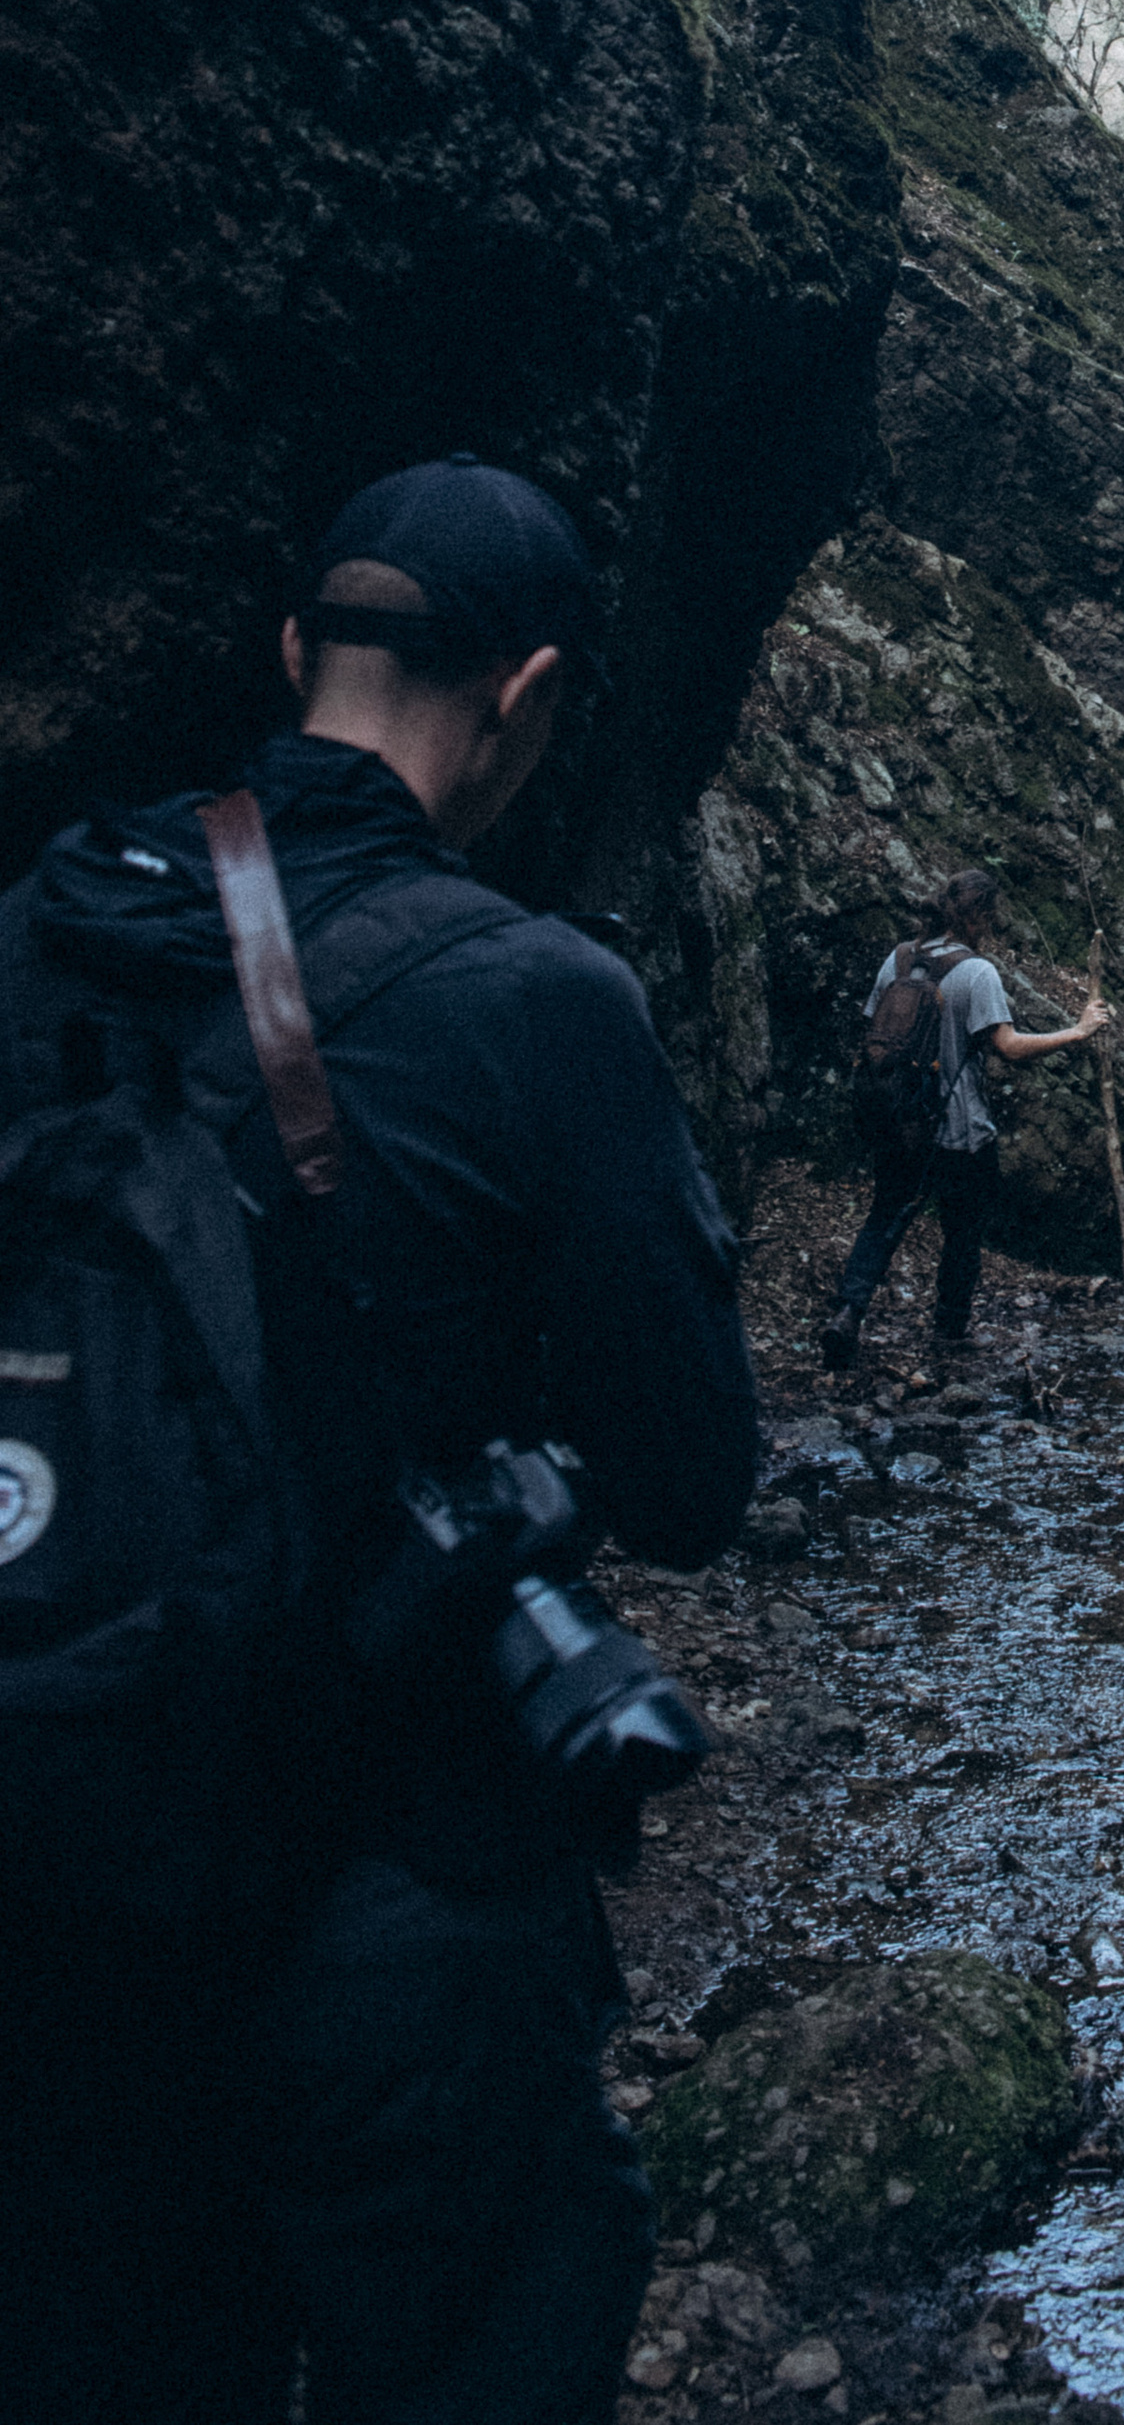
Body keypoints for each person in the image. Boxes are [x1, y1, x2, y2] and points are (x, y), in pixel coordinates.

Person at [1, 454, 759, 2425]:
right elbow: (691, 1473)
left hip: (56, 1876)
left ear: (291, 655)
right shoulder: (536, 998)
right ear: (521, 697)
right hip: (399, 1902)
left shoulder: (43, 931)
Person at [822, 863, 1108, 1376]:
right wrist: (1078, 1032)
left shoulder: (900, 958)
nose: (992, 928)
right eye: (990, 917)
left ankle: (848, 1312)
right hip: (960, 1131)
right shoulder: (977, 972)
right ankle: (949, 1332)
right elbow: (1009, 1047)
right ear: (977, 916)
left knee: (884, 1218)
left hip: (900, 1123)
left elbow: (873, 1035)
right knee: (963, 1233)